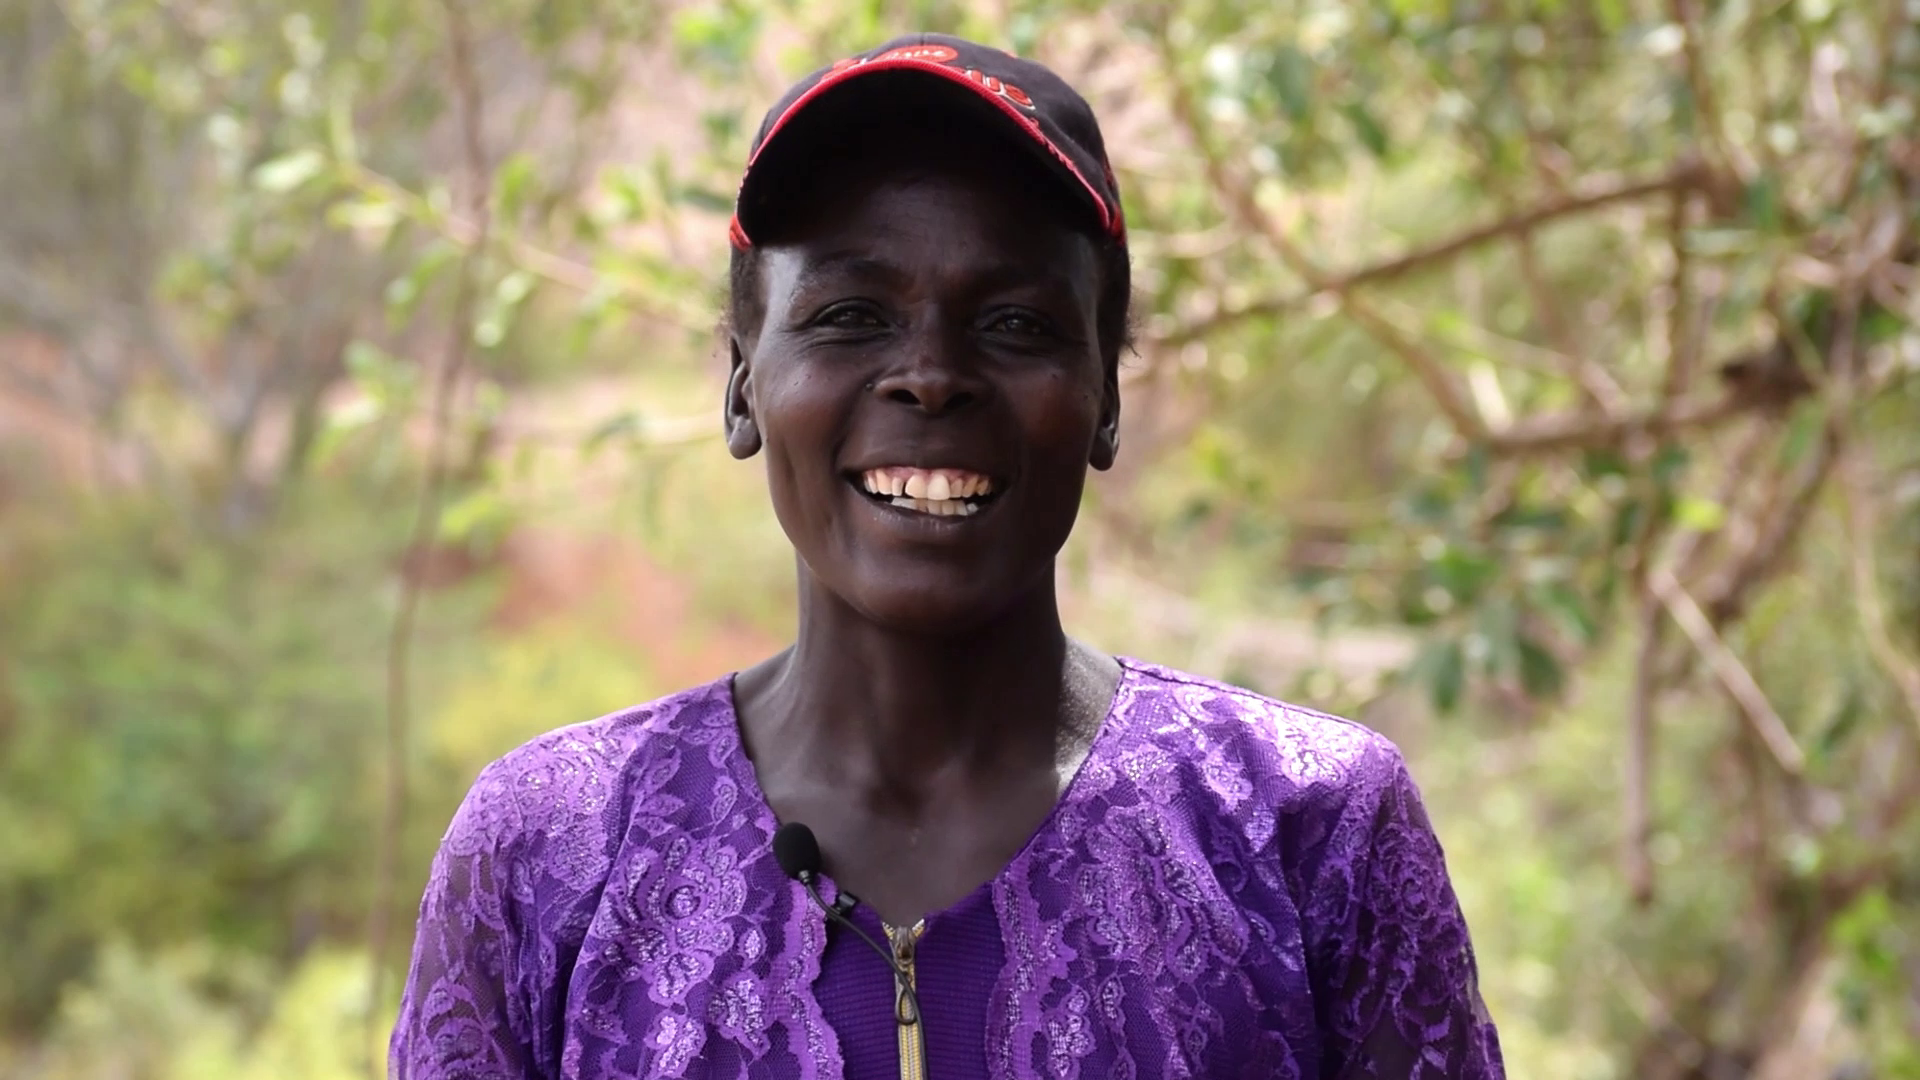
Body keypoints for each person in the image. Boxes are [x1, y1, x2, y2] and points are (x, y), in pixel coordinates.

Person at [391, 33, 1506, 1080]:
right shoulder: (551, 853)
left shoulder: (1308, 830)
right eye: (849, 316)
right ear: (741, 387)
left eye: (1016, 323)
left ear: (1107, 398)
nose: (930, 375)